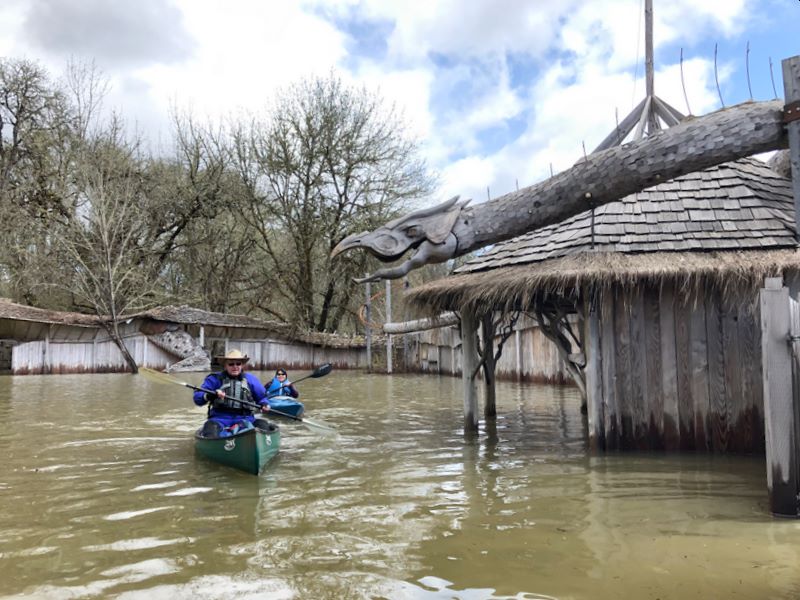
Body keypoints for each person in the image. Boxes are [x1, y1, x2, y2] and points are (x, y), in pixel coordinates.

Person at [193, 349, 270, 437]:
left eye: (238, 364)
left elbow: (262, 397)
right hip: (220, 419)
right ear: (225, 366)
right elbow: (198, 399)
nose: (235, 367)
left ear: (242, 365)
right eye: (231, 364)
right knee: (210, 428)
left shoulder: (251, 379)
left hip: (246, 418)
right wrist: (210, 395)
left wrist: (264, 404)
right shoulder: (214, 379)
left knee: (263, 424)